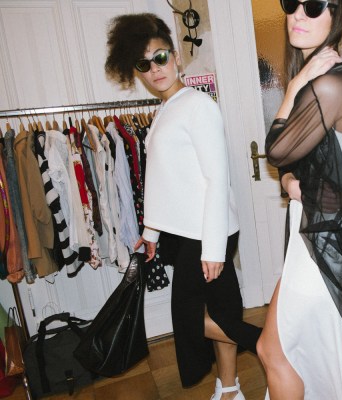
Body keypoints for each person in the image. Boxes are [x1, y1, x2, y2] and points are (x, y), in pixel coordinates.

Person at [104, 14, 261, 400]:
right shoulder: (166, 109)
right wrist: (151, 232)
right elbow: (163, 180)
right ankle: (230, 389)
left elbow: (216, 179)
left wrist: (213, 248)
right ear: (137, 71)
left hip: (207, 232)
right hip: (189, 230)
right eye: (144, 64)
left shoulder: (197, 105)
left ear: (175, 57)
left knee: (189, 318)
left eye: (160, 57)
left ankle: (271, 347)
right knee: (222, 311)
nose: (155, 69)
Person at [256, 1, 342, 399]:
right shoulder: (322, 80)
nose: (298, 14)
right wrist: (292, 183)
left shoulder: (329, 85)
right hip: (316, 237)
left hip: (325, 244)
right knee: (311, 356)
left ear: (337, 15)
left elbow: (276, 150)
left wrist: (295, 85)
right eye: (291, 3)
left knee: (274, 351)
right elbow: (302, 165)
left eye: (314, 5)